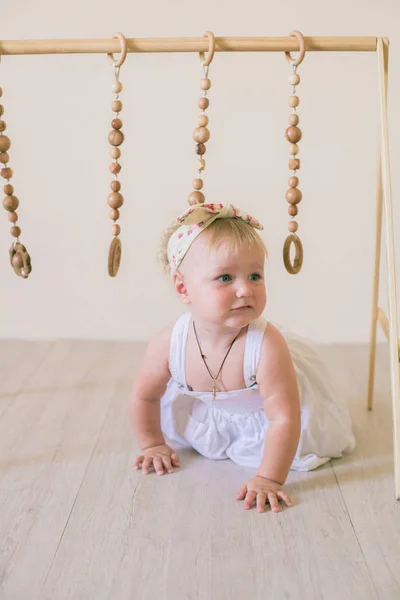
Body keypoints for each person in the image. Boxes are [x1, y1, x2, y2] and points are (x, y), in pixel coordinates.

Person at [129, 203, 355, 513]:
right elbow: (145, 396)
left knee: (304, 431)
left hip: (272, 421)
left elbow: (284, 417)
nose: (244, 290)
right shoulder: (170, 342)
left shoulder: (266, 345)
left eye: (255, 276)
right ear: (183, 287)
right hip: (213, 410)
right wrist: (153, 443)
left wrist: (268, 478)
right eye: (225, 278)